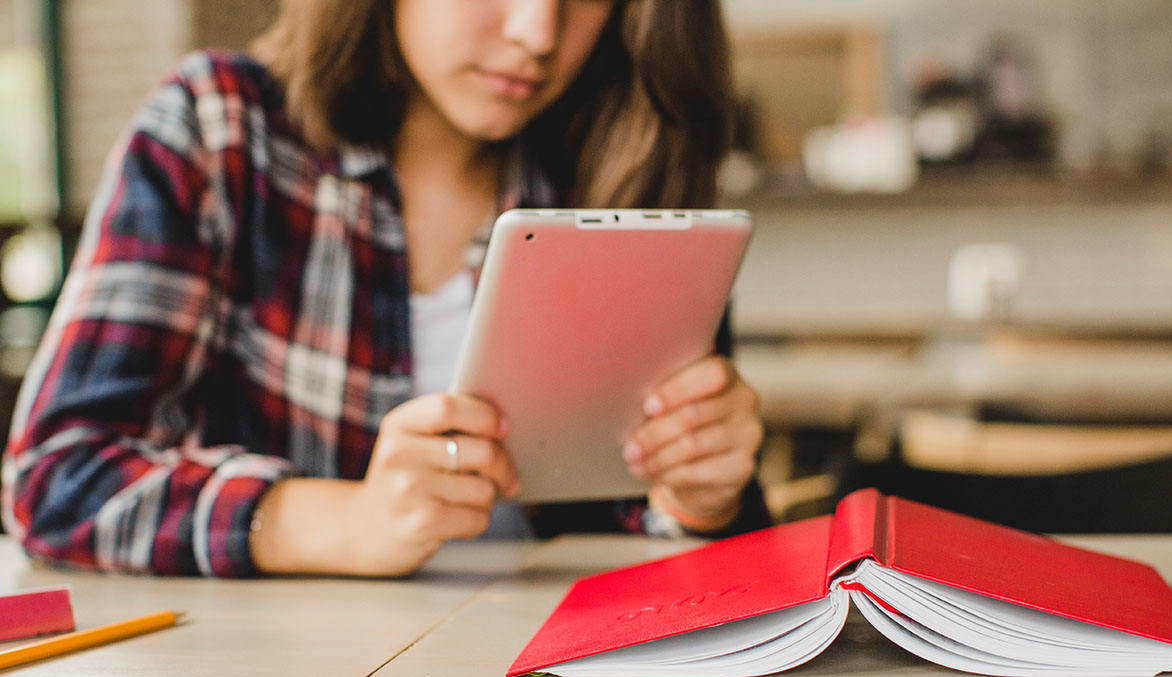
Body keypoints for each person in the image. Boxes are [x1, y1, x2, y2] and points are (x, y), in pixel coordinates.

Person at [1, 0, 769, 578]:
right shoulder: (219, 131)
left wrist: (699, 500)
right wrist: (341, 523)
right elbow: (53, 479)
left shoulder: (623, 167)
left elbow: (680, 550)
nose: (538, 32)